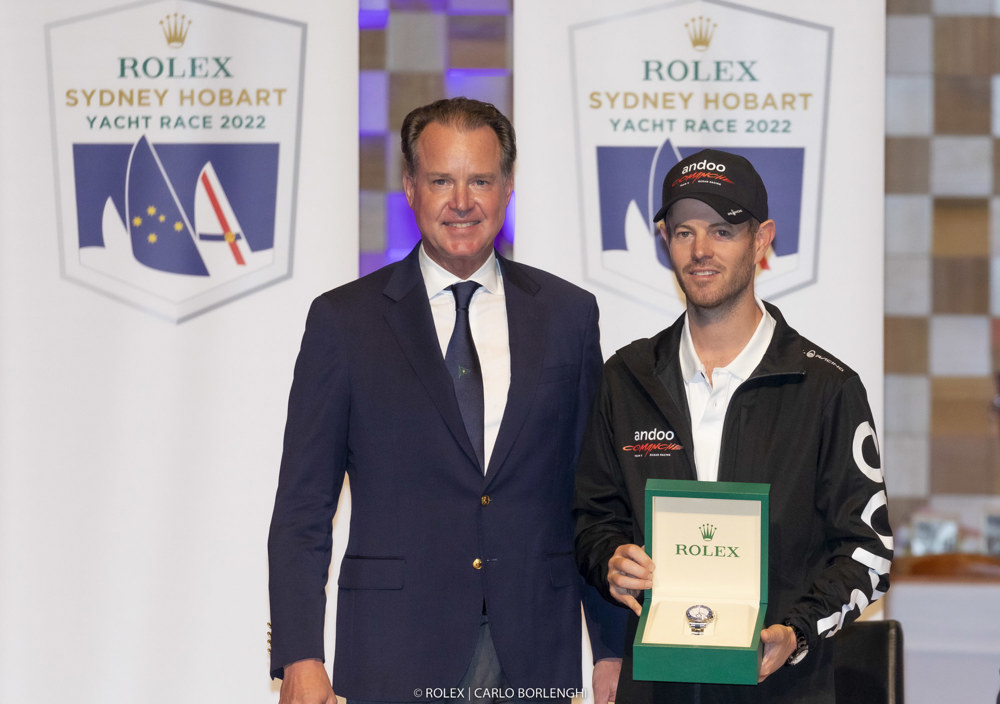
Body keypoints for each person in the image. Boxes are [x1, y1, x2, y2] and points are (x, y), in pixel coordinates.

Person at [268, 97, 623, 704]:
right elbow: (304, 505)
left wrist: (613, 650)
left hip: (533, 650)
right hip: (392, 650)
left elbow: (592, 498)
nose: (462, 201)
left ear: (508, 188)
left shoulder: (568, 315)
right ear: (410, 188)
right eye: (441, 180)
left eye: (480, 180)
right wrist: (299, 655)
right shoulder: (343, 321)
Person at [573, 149, 893, 703]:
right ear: (665, 241)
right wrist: (610, 559)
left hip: (782, 686)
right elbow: (591, 518)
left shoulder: (826, 388)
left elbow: (869, 548)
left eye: (723, 231)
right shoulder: (626, 378)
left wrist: (796, 632)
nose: (700, 251)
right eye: (683, 232)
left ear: (761, 239)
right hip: (656, 685)